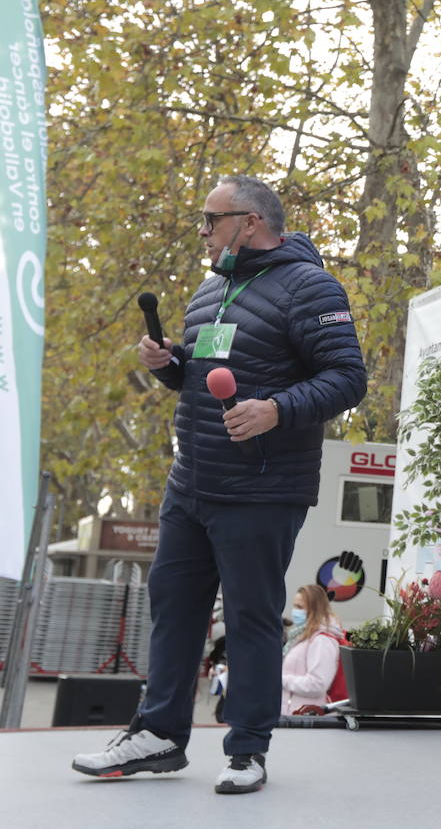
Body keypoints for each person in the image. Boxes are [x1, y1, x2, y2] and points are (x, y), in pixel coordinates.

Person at [72, 175, 366, 794]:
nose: (202, 231)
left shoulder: (311, 287)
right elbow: (206, 374)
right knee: (173, 612)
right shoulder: (212, 292)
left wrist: (276, 409)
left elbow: (347, 377)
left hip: (262, 488)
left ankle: (247, 751)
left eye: (211, 219)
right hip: (192, 485)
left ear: (250, 223)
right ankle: (158, 736)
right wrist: (171, 364)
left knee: (252, 618)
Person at [281, 584, 344, 715]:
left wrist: (280, 679)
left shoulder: (322, 640)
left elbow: (317, 684)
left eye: (300, 607)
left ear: (314, 609)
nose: (295, 611)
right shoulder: (302, 637)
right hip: (294, 715)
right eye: (294, 605)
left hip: (308, 717)